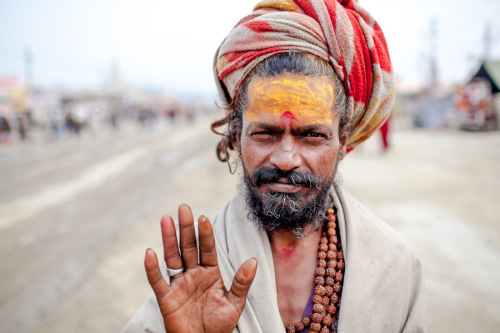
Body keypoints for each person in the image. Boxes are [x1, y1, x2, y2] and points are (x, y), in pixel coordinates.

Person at [124, 0, 425, 332]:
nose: (285, 159)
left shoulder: (393, 265)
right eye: (265, 133)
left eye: (311, 135)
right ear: (237, 136)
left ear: (343, 140)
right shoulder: (194, 278)